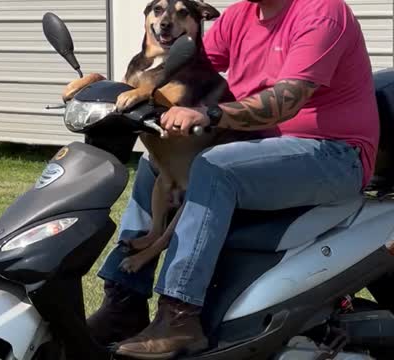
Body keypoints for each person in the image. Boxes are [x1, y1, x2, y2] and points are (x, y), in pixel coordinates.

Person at [88, 0, 380, 358]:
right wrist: (113, 87)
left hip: (332, 153)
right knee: (155, 164)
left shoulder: (320, 11)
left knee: (213, 166)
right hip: (262, 146)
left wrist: (208, 113)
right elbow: (184, 65)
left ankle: (180, 317)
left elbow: (286, 100)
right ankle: (124, 302)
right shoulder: (239, 17)